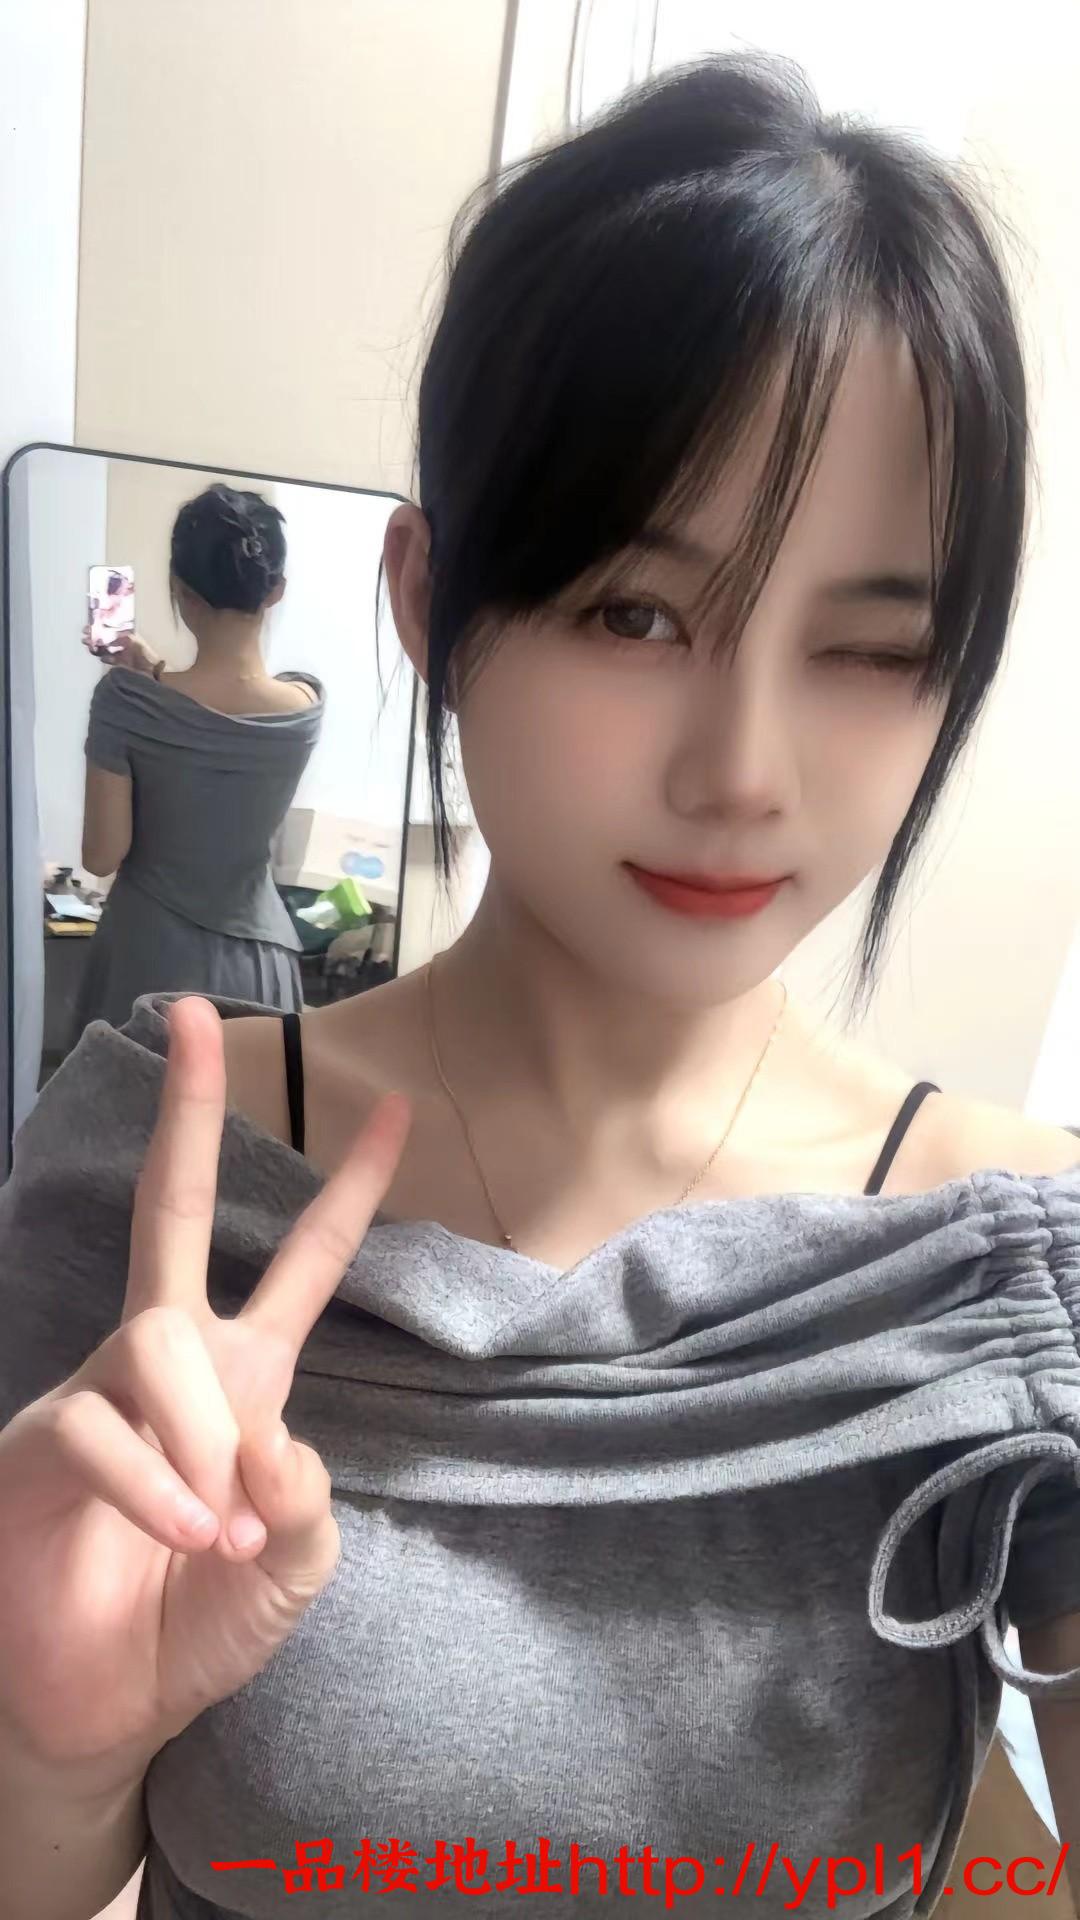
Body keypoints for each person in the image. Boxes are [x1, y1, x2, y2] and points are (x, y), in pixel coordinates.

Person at [0, 54, 1078, 1920]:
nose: (743, 771)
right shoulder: (157, 1173)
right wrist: (54, 1759)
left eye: (866, 649)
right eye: (634, 615)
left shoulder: (1012, 1264)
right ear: (429, 600)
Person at [73, 484, 324, 1040]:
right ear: (276, 590)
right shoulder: (304, 709)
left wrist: (142, 685)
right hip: (259, 969)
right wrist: (154, 675)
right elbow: (220, 715)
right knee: (251, 1098)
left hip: (150, 961)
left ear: (179, 590)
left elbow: (102, 855)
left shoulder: (125, 701)